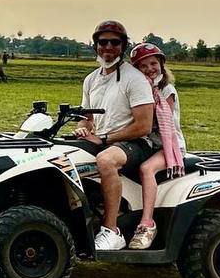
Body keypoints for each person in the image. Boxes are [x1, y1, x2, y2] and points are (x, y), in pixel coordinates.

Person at [70, 20, 156, 251]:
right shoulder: (91, 79)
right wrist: (84, 128)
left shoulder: (134, 79)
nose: (108, 47)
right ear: (95, 45)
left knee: (106, 161)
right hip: (105, 141)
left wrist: (106, 138)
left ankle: (111, 231)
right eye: (103, 42)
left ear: (123, 46)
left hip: (135, 143)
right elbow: (87, 117)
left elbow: (144, 126)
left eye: (114, 42)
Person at [126, 42, 186, 250]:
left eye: (153, 63)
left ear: (161, 63)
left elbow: (157, 120)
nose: (150, 69)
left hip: (168, 145)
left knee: (146, 169)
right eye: (143, 66)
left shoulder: (166, 90)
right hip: (148, 143)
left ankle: (147, 223)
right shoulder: (140, 88)